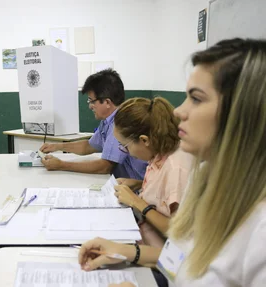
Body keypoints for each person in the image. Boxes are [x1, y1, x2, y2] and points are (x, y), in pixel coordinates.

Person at [78, 38, 266, 286]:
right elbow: (179, 260)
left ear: (243, 113)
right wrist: (122, 252)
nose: (179, 111)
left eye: (196, 99)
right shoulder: (205, 176)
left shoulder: (259, 228)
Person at [113, 97, 194, 248]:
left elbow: (178, 231)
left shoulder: (176, 166)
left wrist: (136, 202)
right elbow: (163, 193)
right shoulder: (159, 152)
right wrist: (138, 185)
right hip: (143, 237)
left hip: (159, 255)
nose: (127, 152)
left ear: (144, 140)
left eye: (125, 146)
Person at [40, 69, 147, 179]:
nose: (90, 106)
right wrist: (57, 146)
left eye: (92, 101)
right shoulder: (107, 121)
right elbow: (88, 146)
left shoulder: (120, 122)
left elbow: (105, 166)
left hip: (137, 189)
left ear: (107, 102)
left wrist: (61, 165)